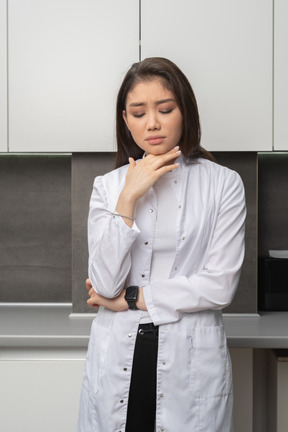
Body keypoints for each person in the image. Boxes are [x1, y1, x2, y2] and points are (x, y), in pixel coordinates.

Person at [77, 57, 246, 432]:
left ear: (184, 111)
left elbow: (219, 285)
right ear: (125, 120)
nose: (152, 122)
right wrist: (128, 198)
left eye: (165, 109)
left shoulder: (223, 184)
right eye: (138, 113)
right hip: (119, 352)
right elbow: (104, 285)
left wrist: (133, 299)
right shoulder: (108, 186)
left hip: (189, 359)